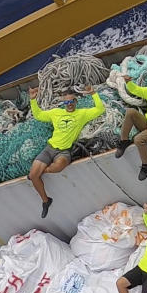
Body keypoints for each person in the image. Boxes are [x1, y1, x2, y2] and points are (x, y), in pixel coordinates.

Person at [28, 86, 105, 218]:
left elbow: (100, 109)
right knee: (33, 176)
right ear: (63, 104)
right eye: (66, 103)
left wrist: (93, 93)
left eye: (71, 102)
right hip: (49, 148)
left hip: (64, 151)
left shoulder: (82, 114)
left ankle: (41, 170)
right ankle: (46, 201)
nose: (69, 105)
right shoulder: (55, 113)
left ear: (76, 101)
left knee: (57, 167)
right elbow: (38, 115)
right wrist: (33, 100)